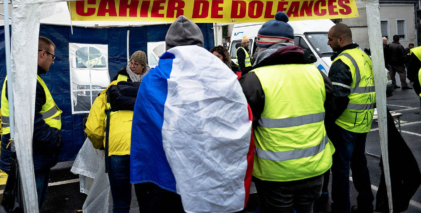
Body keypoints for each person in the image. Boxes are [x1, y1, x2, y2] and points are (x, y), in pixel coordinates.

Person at [131, 16, 252, 213]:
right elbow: (240, 118)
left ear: (168, 45)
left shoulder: (152, 79)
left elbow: (144, 134)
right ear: (201, 44)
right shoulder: (223, 75)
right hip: (215, 175)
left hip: (164, 180)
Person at [239, 12, 335, 213]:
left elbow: (242, 129)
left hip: (275, 174)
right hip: (315, 168)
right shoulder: (317, 74)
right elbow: (331, 113)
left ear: (262, 46)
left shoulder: (254, 79)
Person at [0, 37, 63, 210]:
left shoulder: (27, 78)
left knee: (29, 205)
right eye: (52, 57)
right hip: (31, 155)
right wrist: (55, 141)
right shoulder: (26, 81)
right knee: (31, 206)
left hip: (32, 155)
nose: (53, 61)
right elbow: (30, 125)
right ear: (43, 54)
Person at [327, 24, 375, 213]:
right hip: (362, 121)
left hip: (344, 123)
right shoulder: (364, 56)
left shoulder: (342, 62)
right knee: (359, 164)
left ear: (341, 39)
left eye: (330, 39)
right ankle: (365, 204)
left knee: (340, 169)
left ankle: (341, 208)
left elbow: (338, 98)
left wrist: (329, 121)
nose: (328, 42)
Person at [86, 77, 146, 213]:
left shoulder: (105, 94)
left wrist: (101, 145)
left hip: (117, 151)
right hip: (142, 149)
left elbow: (93, 130)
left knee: (120, 203)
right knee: (145, 201)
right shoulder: (143, 92)